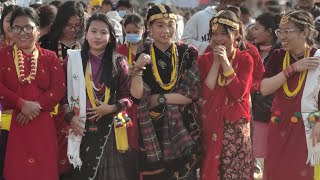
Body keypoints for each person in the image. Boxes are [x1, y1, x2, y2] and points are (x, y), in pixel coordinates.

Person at [130, 4, 201, 180]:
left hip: (183, 126)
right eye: (160, 25)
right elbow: (137, 96)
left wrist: (160, 98)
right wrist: (138, 67)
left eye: (170, 25)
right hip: (151, 129)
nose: (166, 30)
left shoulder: (187, 53)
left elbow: (192, 94)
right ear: (149, 27)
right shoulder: (143, 53)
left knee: (185, 174)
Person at [63, 13, 136, 180]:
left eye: (103, 32)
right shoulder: (72, 60)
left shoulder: (119, 62)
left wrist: (111, 108)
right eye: (93, 31)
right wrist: (70, 117)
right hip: (79, 126)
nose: (98, 37)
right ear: (86, 34)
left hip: (108, 129)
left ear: (110, 37)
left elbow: (128, 97)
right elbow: (62, 94)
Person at [0, 6, 66, 180]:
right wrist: (21, 104)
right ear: (10, 30)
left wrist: (34, 107)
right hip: (12, 124)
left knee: (43, 172)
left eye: (28, 27)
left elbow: (59, 88)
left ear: (38, 29)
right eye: (17, 27)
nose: (23, 32)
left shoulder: (49, 56)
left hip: (42, 123)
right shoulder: (2, 55)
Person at [260, 10, 320, 180]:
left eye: (288, 31)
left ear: (305, 32)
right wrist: (293, 68)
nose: (282, 36)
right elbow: (264, 88)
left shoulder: (317, 57)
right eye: (280, 31)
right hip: (279, 125)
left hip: (309, 127)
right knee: (277, 172)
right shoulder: (278, 55)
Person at [197, 10, 254, 180]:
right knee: (213, 169)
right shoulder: (204, 60)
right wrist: (216, 62)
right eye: (214, 34)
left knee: (234, 172)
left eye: (223, 33)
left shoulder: (245, 59)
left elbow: (239, 93)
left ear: (236, 34)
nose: (218, 38)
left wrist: (226, 62)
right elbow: (206, 93)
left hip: (235, 125)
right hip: (211, 123)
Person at [40, 1, 85, 175]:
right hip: (54, 107)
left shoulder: (86, 43)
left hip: (81, 105)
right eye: (68, 25)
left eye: (77, 26)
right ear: (60, 23)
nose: (72, 30)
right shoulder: (47, 44)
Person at [251, 12, 279, 177]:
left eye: (256, 28)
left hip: (270, 112)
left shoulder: (279, 52)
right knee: (255, 157)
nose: (253, 32)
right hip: (253, 112)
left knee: (270, 157)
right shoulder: (250, 50)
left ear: (269, 32)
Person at [117, 13, 145, 151]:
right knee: (128, 138)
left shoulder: (149, 48)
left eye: (136, 32)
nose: (132, 34)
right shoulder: (120, 50)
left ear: (143, 30)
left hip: (145, 100)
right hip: (126, 102)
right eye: (128, 32)